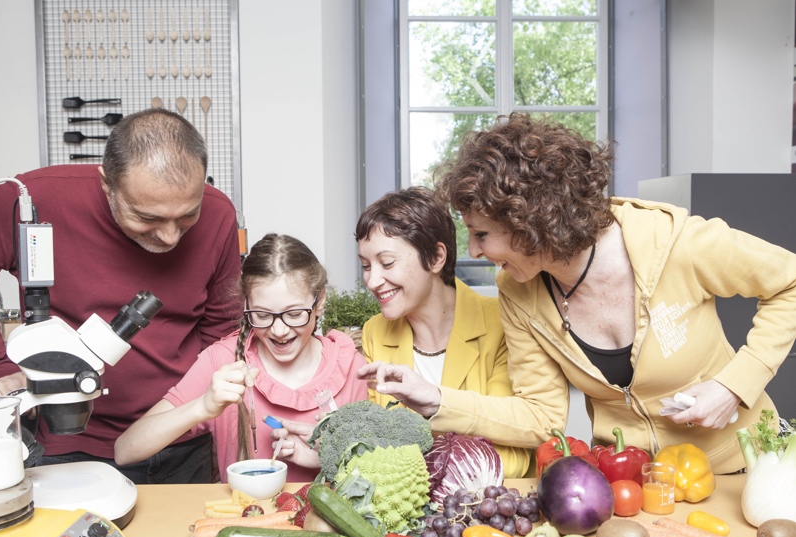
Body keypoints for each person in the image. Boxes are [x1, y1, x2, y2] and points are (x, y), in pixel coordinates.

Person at [380, 111, 796, 475]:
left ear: (529, 220)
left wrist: (734, 385)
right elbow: (540, 415)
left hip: (744, 465)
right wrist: (435, 399)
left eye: (481, 233)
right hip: (631, 482)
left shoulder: (678, 243)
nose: (473, 251)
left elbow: (789, 281)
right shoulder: (518, 292)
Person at [0, 108, 242, 483]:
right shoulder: (28, 200)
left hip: (179, 441)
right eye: (148, 218)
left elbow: (221, 328)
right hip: (67, 443)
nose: (170, 236)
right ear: (107, 183)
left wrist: (190, 409)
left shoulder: (218, 215)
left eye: (186, 216)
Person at [114, 234, 370, 482]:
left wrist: (328, 457)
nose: (279, 331)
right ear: (246, 304)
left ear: (320, 301)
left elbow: (373, 477)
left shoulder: (350, 368)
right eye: (261, 314)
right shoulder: (222, 362)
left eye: (294, 314)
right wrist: (202, 407)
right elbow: (125, 451)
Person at [343, 187, 527, 478]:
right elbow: (374, 445)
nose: (372, 280)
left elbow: (516, 454)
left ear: (436, 257)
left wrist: (418, 471)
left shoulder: (501, 323)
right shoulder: (374, 332)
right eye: (366, 266)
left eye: (387, 262)